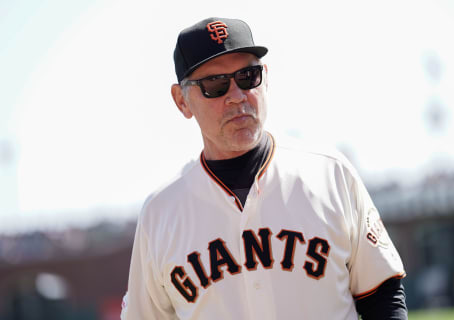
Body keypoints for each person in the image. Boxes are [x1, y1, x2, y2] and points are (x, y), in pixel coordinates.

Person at [121, 17, 407, 320]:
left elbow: (383, 296)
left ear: (265, 78)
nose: (236, 95)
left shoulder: (330, 174)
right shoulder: (161, 213)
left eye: (247, 76)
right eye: (215, 85)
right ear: (182, 101)